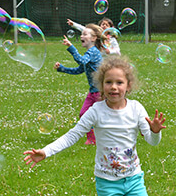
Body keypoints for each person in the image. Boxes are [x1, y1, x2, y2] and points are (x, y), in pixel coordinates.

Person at [24, 55, 166, 196]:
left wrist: (154, 132)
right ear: (101, 85)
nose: (114, 87)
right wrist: (46, 151)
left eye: (119, 82)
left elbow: (153, 142)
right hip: (107, 183)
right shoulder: (96, 111)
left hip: (134, 180)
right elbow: (72, 136)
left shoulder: (136, 108)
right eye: (108, 82)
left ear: (128, 85)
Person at [53, 23, 103, 145]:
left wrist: (71, 47)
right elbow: (79, 69)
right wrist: (61, 69)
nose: (82, 35)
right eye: (82, 33)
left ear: (93, 38)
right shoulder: (89, 54)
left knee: (104, 117)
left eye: (85, 34)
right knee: (83, 114)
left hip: (101, 92)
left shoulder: (93, 52)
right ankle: (92, 139)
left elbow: (81, 60)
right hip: (93, 92)